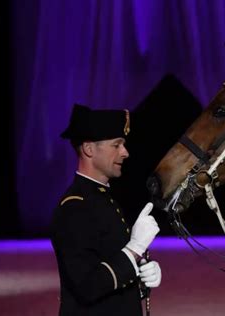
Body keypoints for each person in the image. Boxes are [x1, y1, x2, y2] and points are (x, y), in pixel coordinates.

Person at [50, 103, 161, 316]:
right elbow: (87, 287)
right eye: (117, 144)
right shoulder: (74, 207)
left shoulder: (104, 199)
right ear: (89, 149)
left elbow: (112, 281)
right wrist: (134, 249)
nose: (125, 152)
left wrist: (141, 277)